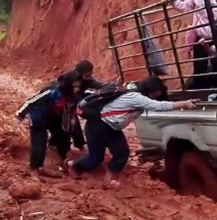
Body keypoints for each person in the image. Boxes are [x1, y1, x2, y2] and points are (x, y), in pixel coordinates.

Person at [67, 76, 197, 187]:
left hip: (112, 127)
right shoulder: (136, 97)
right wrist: (184, 103)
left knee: (122, 153)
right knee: (96, 157)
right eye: (158, 91)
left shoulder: (137, 96)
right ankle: (73, 165)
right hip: (98, 125)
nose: (159, 93)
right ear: (151, 91)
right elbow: (158, 106)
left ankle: (109, 179)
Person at [15, 71, 82, 178]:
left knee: (64, 137)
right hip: (39, 117)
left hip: (55, 117)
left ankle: (62, 162)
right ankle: (34, 170)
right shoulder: (54, 91)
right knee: (39, 145)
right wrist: (20, 114)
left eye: (78, 87)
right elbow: (32, 101)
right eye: (74, 87)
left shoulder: (76, 94)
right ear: (68, 85)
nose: (76, 89)